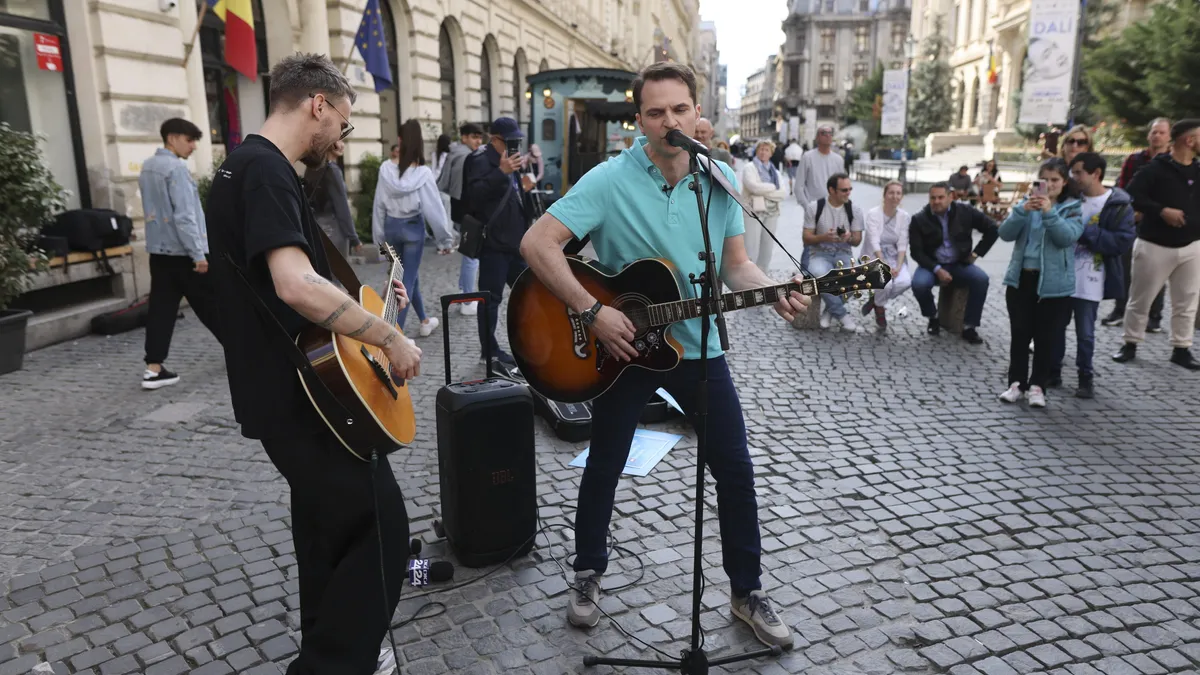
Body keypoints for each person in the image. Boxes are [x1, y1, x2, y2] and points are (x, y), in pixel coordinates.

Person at [519, 61, 809, 650]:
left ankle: (746, 590)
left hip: (700, 350)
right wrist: (591, 311)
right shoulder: (609, 179)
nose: (669, 121)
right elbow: (536, 243)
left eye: (680, 109)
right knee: (605, 460)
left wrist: (773, 285)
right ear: (640, 119)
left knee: (734, 466)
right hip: (623, 349)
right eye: (656, 112)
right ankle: (588, 571)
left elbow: (735, 266)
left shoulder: (720, 178)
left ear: (697, 113)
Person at [205, 53, 422, 675]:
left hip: (286, 390)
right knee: (383, 527)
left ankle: (329, 645)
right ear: (317, 105)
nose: (340, 139)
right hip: (303, 401)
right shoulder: (268, 172)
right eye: (343, 124)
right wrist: (387, 336)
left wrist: (369, 301)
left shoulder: (244, 168)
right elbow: (296, 285)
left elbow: (286, 289)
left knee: (325, 531)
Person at [138, 117, 222, 390]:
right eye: (189, 139)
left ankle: (154, 367)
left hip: (159, 252)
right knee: (214, 305)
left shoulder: (148, 167)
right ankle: (244, 352)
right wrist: (198, 254)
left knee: (161, 310)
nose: (194, 146)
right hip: (185, 254)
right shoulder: (176, 170)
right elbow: (185, 217)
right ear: (172, 138)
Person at [995, 158, 1084, 408]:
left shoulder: (1073, 208)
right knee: (1020, 334)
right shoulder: (1025, 205)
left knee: (1047, 338)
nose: (1050, 184)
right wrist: (1022, 211)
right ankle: (1016, 384)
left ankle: (1038, 386)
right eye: (1045, 180)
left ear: (1064, 182)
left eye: (1055, 180)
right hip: (1022, 277)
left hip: (1054, 284)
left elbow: (1066, 237)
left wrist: (1048, 212)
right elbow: (1005, 234)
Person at [1113, 118, 1200, 370]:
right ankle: (1130, 344)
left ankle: (1181, 349)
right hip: (1154, 244)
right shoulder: (1155, 169)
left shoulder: (1198, 170)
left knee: (1187, 301)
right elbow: (1131, 195)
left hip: (1192, 246)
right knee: (1141, 299)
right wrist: (1161, 210)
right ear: (1189, 140)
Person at [1055, 152, 1135, 398]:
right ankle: (1052, 371)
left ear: (1096, 174)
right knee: (1056, 328)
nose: (1073, 177)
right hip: (1063, 277)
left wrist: (1087, 233)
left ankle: (1085, 377)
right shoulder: (1069, 199)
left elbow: (1121, 242)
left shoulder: (1118, 204)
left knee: (1085, 333)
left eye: (1078, 172)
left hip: (1092, 279)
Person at [372, 118, 454, 337]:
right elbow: (434, 209)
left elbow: (378, 204)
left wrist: (379, 239)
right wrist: (444, 239)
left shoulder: (385, 169)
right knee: (405, 281)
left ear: (399, 140)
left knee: (404, 276)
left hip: (390, 226)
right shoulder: (423, 174)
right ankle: (392, 333)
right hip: (412, 229)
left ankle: (425, 320)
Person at [463, 116, 532, 367]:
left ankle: (527, 343)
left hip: (517, 242)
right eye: (510, 142)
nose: (514, 147)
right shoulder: (479, 160)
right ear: (494, 140)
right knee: (490, 299)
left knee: (528, 294)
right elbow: (473, 196)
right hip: (493, 242)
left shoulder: (514, 161)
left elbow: (515, 195)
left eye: (517, 142)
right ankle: (489, 351)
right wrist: (501, 172)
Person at [908, 182, 999, 344]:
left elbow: (993, 228)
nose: (936, 201)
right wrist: (937, 269)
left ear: (951, 197)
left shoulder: (965, 212)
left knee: (981, 279)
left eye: (941, 197)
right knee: (919, 284)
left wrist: (977, 253)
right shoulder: (919, 219)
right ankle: (933, 317)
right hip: (931, 265)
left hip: (959, 263)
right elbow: (916, 252)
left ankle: (969, 326)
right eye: (933, 198)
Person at [1104, 117, 1172, 328]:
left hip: (1158, 223)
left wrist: (1148, 211)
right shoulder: (1134, 160)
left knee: (1156, 270)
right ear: (1148, 135)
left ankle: (1153, 316)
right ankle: (1120, 309)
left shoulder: (1173, 163)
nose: (1157, 136)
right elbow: (1122, 189)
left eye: (1162, 132)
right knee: (1123, 266)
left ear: (1170, 136)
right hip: (1130, 220)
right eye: (1154, 132)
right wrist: (1129, 212)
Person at [803, 173, 865, 331]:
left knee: (855, 278)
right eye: (844, 190)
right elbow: (806, 238)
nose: (848, 193)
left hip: (844, 254)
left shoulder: (855, 210)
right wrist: (824, 237)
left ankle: (829, 312)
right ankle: (842, 315)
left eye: (850, 189)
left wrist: (849, 237)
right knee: (820, 274)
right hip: (819, 254)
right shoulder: (815, 207)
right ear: (832, 190)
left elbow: (857, 241)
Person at [437, 123, 486, 315]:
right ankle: (467, 299)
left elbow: (446, 184)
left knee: (469, 254)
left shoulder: (455, 152)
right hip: (470, 212)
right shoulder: (468, 157)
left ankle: (461, 289)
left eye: (480, 137)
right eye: (474, 137)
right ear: (464, 137)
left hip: (459, 211)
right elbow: (469, 190)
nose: (478, 141)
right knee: (472, 256)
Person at [860, 180, 913, 329]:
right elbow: (874, 241)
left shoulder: (904, 216)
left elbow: (903, 243)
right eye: (891, 192)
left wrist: (899, 265)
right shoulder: (873, 214)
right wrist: (884, 265)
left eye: (898, 193)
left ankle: (876, 301)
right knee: (886, 283)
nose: (895, 196)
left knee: (904, 282)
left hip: (895, 256)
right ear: (885, 195)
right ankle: (879, 307)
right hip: (874, 256)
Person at [738, 140, 788, 271]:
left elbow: (782, 193)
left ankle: (763, 275)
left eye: (767, 150)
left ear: (771, 153)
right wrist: (772, 187)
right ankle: (749, 277)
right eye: (761, 149)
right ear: (756, 150)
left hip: (772, 212)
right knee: (751, 246)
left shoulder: (775, 172)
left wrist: (765, 192)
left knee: (767, 246)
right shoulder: (749, 167)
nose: (763, 152)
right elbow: (753, 187)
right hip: (752, 211)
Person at [305, 139, 360, 257]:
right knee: (338, 273)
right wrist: (354, 238)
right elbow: (342, 207)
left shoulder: (312, 168)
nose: (342, 145)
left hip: (316, 227)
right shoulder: (332, 170)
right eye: (338, 140)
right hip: (334, 229)